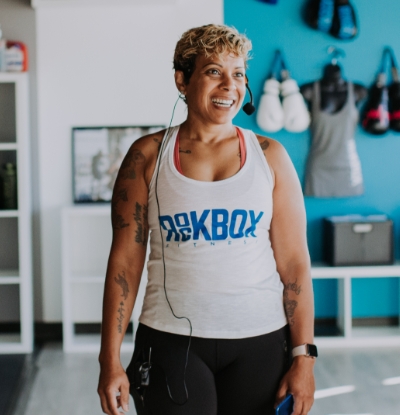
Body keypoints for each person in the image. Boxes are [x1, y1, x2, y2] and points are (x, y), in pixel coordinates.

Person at [97, 24, 316, 415]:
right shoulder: (145, 156)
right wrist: (109, 360)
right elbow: (125, 264)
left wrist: (304, 357)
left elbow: (295, 263)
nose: (228, 86)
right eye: (214, 71)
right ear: (182, 79)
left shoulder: (271, 156)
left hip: (261, 341)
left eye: (238, 75)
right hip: (169, 341)